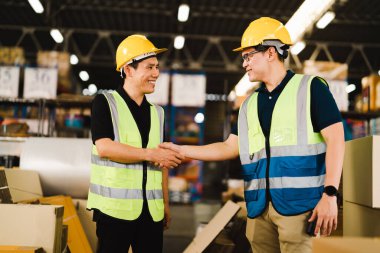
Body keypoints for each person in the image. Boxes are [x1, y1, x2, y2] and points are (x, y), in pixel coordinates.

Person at [160, 17, 344, 253]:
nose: (244, 63)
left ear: (270, 52)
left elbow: (336, 139)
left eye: (248, 56)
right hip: (259, 209)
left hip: (299, 207)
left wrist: (330, 194)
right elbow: (229, 147)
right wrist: (182, 150)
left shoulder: (311, 89)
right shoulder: (249, 104)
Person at [87, 34, 184, 253]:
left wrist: (166, 204)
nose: (156, 74)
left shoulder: (158, 113)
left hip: (151, 212)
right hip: (114, 212)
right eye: (149, 67)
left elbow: (163, 161)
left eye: (157, 67)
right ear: (128, 70)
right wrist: (151, 154)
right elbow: (104, 147)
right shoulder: (105, 102)